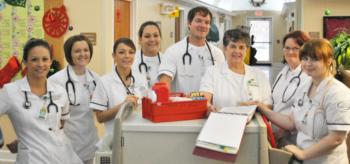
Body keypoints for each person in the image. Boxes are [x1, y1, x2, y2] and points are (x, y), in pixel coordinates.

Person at [255, 39, 350, 163]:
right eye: (305, 58)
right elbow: (291, 122)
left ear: (328, 61)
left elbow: (336, 138)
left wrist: (303, 154)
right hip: (303, 159)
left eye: (315, 59)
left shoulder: (337, 92)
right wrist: (262, 108)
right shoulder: (304, 87)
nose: (308, 63)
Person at [0, 38, 82, 164]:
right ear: (25, 62)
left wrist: (36, 135)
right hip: (32, 159)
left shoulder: (60, 92)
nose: (40, 64)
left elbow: (60, 126)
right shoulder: (11, 92)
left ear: (50, 62)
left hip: (64, 158)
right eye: (34, 59)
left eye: (45, 59)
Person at [48, 35, 99, 164]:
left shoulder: (95, 79)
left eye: (86, 50)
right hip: (66, 143)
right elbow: (49, 116)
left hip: (89, 141)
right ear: (69, 54)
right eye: (77, 51)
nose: (83, 54)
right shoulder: (56, 80)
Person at [90, 38, 147, 146]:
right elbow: (100, 118)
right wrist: (123, 106)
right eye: (121, 52)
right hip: (114, 140)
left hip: (138, 137)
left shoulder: (141, 78)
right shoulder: (104, 82)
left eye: (131, 52)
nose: (127, 56)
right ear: (114, 56)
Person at [200, 29, 271, 112]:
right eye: (233, 46)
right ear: (225, 48)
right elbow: (205, 100)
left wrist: (257, 106)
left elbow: (269, 105)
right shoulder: (212, 72)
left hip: (253, 122)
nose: (237, 51)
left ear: (246, 50)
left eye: (241, 47)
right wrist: (209, 107)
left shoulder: (259, 75)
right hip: (221, 120)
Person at [158, 6, 225, 94]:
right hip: (183, 106)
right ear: (189, 23)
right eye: (198, 21)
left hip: (211, 106)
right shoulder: (173, 51)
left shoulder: (217, 53)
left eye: (207, 22)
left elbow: (222, 82)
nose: (203, 25)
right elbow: (164, 81)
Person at [271, 31, 311, 147]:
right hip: (276, 133)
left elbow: (304, 113)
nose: (290, 52)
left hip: (293, 138)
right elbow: (276, 100)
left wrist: (281, 133)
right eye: (287, 48)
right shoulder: (284, 71)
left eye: (296, 48)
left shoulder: (308, 76)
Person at [132, 21, 162, 87]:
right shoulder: (130, 60)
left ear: (160, 38)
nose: (152, 39)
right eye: (147, 36)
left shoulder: (167, 59)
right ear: (140, 40)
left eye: (156, 35)